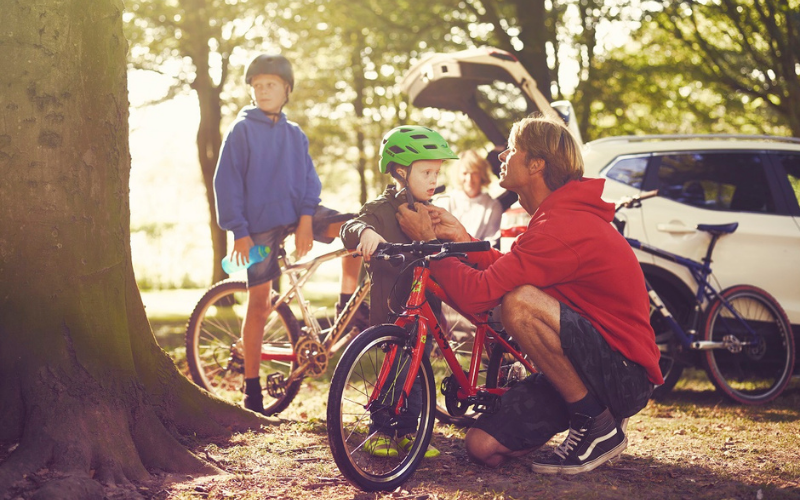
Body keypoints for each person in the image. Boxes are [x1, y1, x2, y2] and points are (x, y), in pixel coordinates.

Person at [396, 115, 663, 475]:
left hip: (623, 372)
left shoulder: (564, 224)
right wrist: (461, 237)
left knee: (519, 303)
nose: (503, 154)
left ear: (536, 164)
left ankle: (595, 423)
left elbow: (481, 295)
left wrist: (428, 244)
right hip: (584, 367)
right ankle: (596, 412)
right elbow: (510, 266)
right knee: (482, 447)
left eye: (513, 148)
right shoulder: (554, 216)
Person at [213, 53, 364, 415]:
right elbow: (227, 183)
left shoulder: (295, 135)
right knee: (260, 304)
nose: (263, 90)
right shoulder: (241, 130)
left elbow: (310, 182)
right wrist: (238, 231)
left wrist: (306, 219)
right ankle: (251, 388)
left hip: (299, 214)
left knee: (356, 231)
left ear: (286, 90)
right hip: (257, 228)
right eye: (257, 85)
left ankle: (348, 307)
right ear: (251, 91)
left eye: (271, 85)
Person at [340, 125, 459, 459]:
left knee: (418, 374)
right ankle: (380, 429)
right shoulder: (380, 209)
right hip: (394, 307)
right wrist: (364, 232)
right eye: (426, 171)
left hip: (427, 309)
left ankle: (409, 431)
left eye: (437, 171)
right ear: (401, 172)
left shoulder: (431, 210)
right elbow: (349, 228)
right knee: (393, 372)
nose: (434, 178)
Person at [434, 149, 502, 243]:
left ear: (482, 175)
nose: (469, 179)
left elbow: (491, 241)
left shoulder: (493, 206)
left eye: (474, 173)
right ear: (458, 175)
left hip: (478, 256)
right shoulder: (445, 201)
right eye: (465, 173)